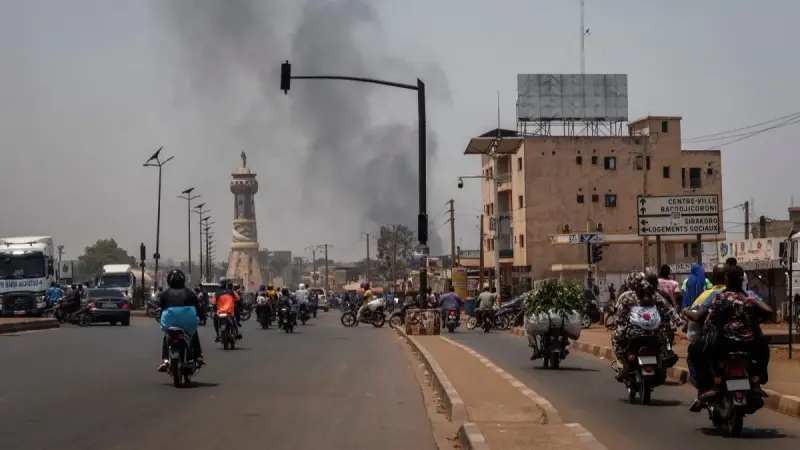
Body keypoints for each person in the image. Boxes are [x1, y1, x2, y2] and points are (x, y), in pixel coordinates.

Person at [685, 265, 771, 407]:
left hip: (723, 344)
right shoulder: (749, 296)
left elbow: (700, 317)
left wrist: (685, 312)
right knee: (763, 347)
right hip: (749, 344)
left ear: (726, 280)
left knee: (695, 350)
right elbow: (768, 311)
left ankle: (706, 386)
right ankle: (758, 380)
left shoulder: (717, 297)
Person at [612, 271, 681, 382]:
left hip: (642, 333)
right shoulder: (646, 294)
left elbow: (666, 307)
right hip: (648, 333)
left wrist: (676, 320)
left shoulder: (634, 296)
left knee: (617, 337)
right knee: (618, 335)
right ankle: (625, 363)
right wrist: (677, 320)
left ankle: (625, 363)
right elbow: (667, 307)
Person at [683, 263, 727, 392]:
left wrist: (685, 313)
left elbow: (696, 316)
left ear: (713, 278)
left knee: (694, 351)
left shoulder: (707, 295)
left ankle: (701, 389)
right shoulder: (745, 295)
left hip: (714, 341)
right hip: (742, 342)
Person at [157, 269, 205, 372]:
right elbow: (198, 309)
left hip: (169, 322)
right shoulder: (190, 293)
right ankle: (198, 356)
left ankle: (164, 360)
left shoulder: (164, 294)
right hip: (188, 323)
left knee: (166, 337)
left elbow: (160, 309)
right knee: (193, 334)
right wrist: (201, 317)